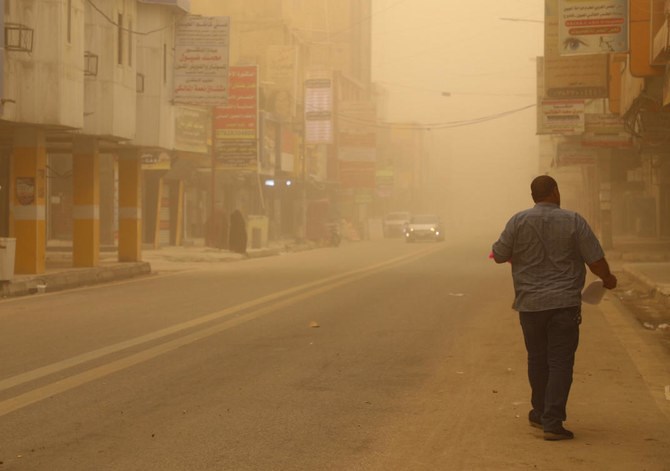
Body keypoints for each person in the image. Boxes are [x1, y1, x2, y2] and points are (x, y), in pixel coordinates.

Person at [491, 175, 617, 441]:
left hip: (530, 305)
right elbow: (595, 260)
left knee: (537, 359)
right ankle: (553, 420)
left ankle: (539, 411)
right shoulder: (574, 221)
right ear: (555, 192)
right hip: (563, 305)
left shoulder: (518, 221)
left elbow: (499, 254)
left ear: (533, 196)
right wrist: (608, 279)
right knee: (560, 362)